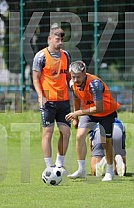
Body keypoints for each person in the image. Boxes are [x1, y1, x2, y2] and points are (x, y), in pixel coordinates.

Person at [65, 60, 120, 181]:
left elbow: (98, 108)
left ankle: (110, 171)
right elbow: (76, 97)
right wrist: (75, 117)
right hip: (88, 112)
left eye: (78, 77)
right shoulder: (72, 83)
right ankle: (81, 170)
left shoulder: (95, 84)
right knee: (79, 136)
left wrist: (78, 112)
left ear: (85, 73)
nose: (75, 80)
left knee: (106, 142)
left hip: (106, 112)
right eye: (73, 77)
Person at [32, 25, 71, 169]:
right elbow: (35, 78)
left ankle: (59, 164)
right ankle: (49, 167)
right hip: (48, 101)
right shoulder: (41, 56)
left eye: (62, 40)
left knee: (66, 132)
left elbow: (68, 77)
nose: (60, 42)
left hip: (64, 101)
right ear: (49, 39)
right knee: (47, 133)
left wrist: (74, 90)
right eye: (57, 39)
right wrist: (40, 96)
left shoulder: (66, 55)